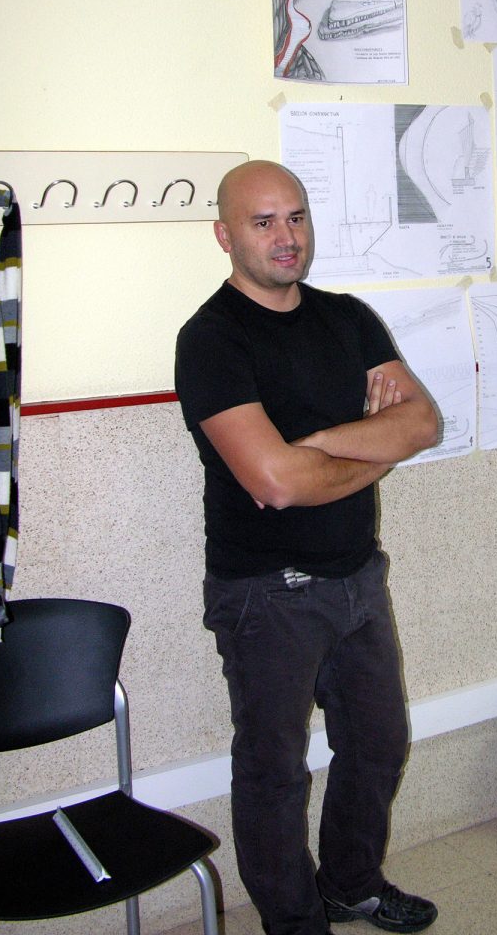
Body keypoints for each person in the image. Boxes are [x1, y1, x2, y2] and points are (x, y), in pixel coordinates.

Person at [175, 160, 440, 935]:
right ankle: (294, 924)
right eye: (263, 223)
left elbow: (422, 421)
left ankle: (351, 885)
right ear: (225, 236)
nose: (286, 237)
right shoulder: (211, 340)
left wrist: (320, 446)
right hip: (266, 593)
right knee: (274, 773)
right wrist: (373, 445)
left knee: (379, 743)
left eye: (295, 217)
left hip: (358, 577)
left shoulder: (348, 318)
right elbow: (275, 483)